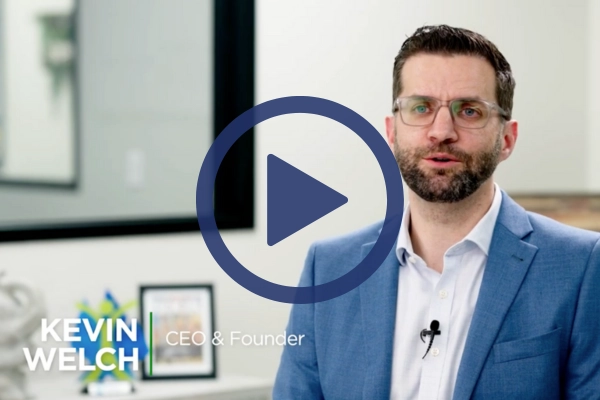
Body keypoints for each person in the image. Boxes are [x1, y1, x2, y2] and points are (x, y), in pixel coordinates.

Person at [272, 24, 600, 399]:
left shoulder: (582, 266)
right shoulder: (328, 268)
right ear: (392, 132)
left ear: (507, 139)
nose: (441, 131)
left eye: (470, 110)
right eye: (421, 108)